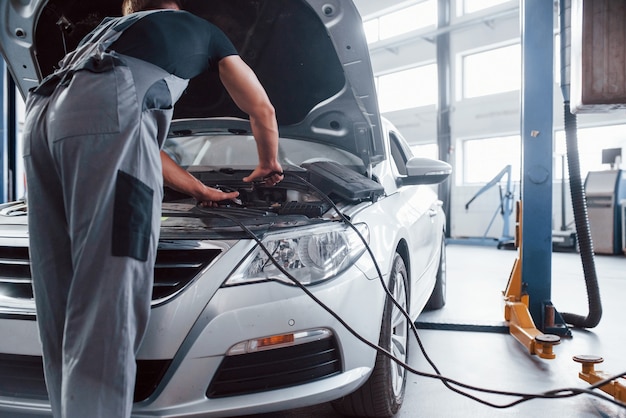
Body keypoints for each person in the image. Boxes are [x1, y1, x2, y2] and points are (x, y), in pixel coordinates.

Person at [22, 0, 283, 416]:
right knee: (110, 296)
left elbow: (123, 132)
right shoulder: (201, 31)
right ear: (176, 5)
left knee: (61, 294)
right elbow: (261, 108)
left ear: (132, 6)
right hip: (105, 113)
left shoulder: (106, 37)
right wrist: (269, 161)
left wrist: (200, 188)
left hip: (41, 116)